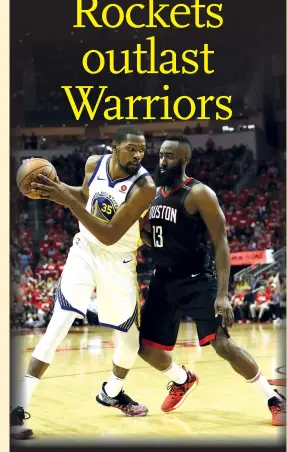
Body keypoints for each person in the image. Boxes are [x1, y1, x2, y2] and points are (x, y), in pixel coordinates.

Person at [11, 126, 156, 439]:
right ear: (114, 147)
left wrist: (66, 199)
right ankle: (15, 409)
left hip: (118, 261)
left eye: (142, 149)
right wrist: (57, 188)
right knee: (58, 325)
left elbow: (109, 233)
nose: (138, 155)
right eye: (131, 148)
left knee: (130, 344)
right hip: (85, 252)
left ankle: (112, 392)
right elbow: (84, 196)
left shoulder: (145, 186)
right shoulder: (94, 164)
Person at [138, 134, 285, 426]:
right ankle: (182, 380)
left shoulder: (198, 193)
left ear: (185, 159)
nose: (163, 160)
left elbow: (221, 242)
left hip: (197, 280)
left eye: (170, 155)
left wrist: (222, 294)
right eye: (161, 154)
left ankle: (273, 399)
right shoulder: (152, 193)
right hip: (163, 281)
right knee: (144, 349)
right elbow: (154, 238)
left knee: (223, 345)